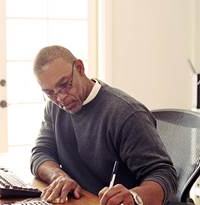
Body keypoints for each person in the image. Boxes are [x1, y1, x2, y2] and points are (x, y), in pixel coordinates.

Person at [30, 45, 177, 205]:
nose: (61, 98)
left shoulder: (126, 114)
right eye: (50, 93)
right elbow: (41, 153)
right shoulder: (54, 107)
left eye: (65, 84)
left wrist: (134, 197)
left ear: (80, 68)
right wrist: (58, 177)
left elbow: (164, 174)